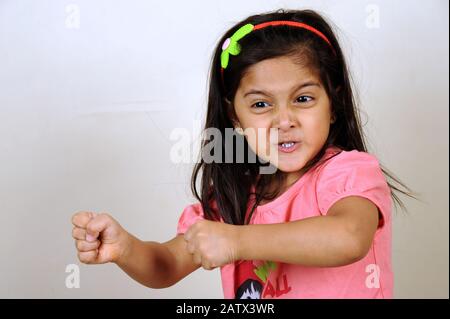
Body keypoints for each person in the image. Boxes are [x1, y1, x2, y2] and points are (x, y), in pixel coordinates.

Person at [71, 9, 415, 298]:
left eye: (303, 98)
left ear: (333, 104)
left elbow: (348, 237)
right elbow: (167, 265)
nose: (285, 120)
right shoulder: (236, 198)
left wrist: (238, 241)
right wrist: (126, 249)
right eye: (261, 104)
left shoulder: (348, 173)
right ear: (235, 118)